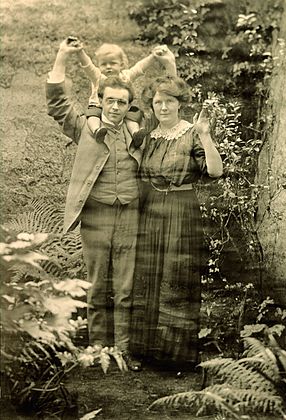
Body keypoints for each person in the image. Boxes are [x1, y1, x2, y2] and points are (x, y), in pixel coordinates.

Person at [46, 39, 176, 372]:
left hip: (130, 213)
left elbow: (170, 110)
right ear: (100, 101)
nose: (115, 108)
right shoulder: (86, 129)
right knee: (96, 285)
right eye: (110, 101)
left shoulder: (139, 134)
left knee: (126, 286)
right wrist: (62, 56)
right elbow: (59, 104)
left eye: (121, 102)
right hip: (96, 215)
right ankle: (97, 350)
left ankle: (124, 351)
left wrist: (170, 64)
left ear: (129, 105)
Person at [130, 76, 223, 368]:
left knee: (176, 275)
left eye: (170, 100)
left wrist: (206, 135)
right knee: (149, 275)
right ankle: (147, 350)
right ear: (151, 106)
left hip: (181, 208)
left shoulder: (192, 133)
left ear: (180, 103)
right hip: (151, 210)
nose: (164, 106)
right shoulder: (147, 137)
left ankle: (175, 357)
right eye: (158, 102)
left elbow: (215, 172)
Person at [70, 36, 176, 146]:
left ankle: (135, 133)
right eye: (104, 64)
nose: (108, 67)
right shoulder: (99, 77)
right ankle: (97, 130)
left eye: (113, 63)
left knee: (133, 116)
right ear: (98, 65)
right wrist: (80, 52)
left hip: (123, 107)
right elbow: (88, 67)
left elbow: (140, 67)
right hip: (99, 106)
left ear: (121, 65)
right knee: (93, 115)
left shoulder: (125, 76)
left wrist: (153, 56)